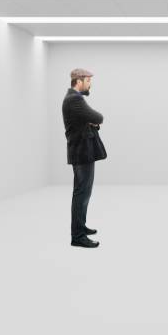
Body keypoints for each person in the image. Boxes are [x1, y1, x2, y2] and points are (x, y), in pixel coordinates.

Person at [61, 68, 107, 248]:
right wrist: (92, 121)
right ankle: (78, 236)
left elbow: (90, 120)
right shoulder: (75, 99)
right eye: (88, 81)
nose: (90, 84)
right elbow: (98, 117)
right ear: (79, 81)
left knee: (84, 193)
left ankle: (81, 227)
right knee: (81, 194)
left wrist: (90, 122)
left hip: (82, 152)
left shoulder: (73, 99)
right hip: (81, 153)